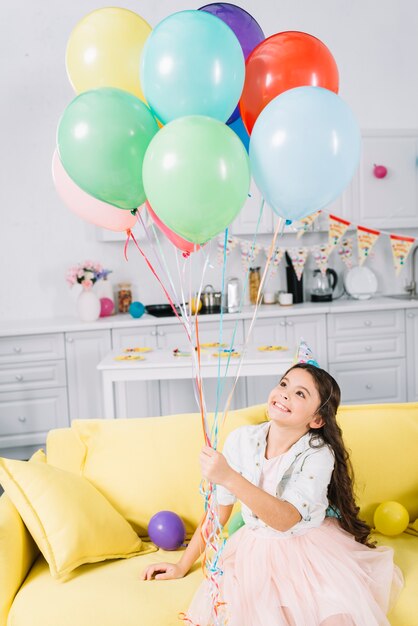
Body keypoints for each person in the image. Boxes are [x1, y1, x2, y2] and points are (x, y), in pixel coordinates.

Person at [142, 362, 403, 626]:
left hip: (309, 552)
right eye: (284, 384)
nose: (286, 393)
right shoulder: (240, 441)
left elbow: (286, 519)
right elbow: (216, 515)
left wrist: (229, 477)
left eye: (301, 393)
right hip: (252, 552)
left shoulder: (318, 455)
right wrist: (181, 565)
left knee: (333, 614)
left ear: (317, 419)